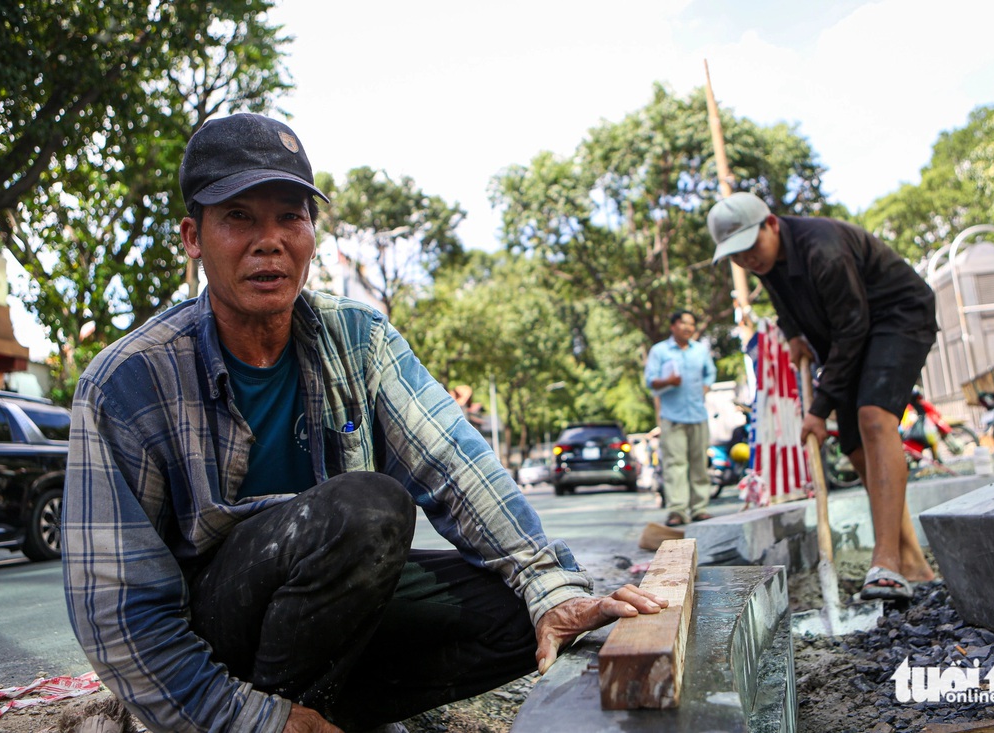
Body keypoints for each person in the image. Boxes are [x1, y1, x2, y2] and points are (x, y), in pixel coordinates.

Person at [61, 113, 667, 733]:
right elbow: (118, 611)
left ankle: (323, 716)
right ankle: (273, 720)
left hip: (322, 621)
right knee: (368, 509)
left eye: (290, 217)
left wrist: (551, 587)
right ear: (193, 237)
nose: (268, 241)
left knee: (520, 613)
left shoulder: (358, 337)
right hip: (215, 638)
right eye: (239, 217)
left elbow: (456, 465)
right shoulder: (127, 383)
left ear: (312, 233)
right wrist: (248, 719)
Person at [707, 191, 938, 600]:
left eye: (750, 247)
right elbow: (782, 295)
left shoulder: (823, 250)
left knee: (874, 418)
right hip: (851, 334)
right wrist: (793, 333)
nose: (747, 261)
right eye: (736, 256)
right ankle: (915, 564)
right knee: (854, 446)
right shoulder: (767, 260)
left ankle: (886, 562)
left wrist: (817, 410)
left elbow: (853, 328)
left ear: (771, 223)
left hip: (897, 316)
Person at [644, 309, 717, 527]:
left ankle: (699, 508)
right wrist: (667, 382)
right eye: (684, 323)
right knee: (675, 464)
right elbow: (650, 381)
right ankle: (677, 511)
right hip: (672, 416)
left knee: (699, 463)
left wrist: (705, 388)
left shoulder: (700, 350)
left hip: (697, 414)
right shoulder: (659, 351)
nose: (688, 328)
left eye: (692, 324)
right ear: (673, 326)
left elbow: (710, 373)